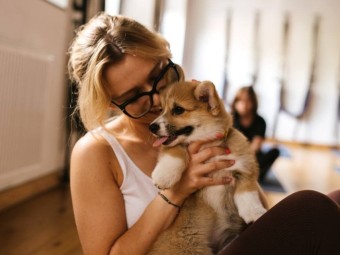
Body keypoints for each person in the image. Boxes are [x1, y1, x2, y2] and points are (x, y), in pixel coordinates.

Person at [69, 12, 340, 255]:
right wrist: (177, 192)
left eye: (158, 74)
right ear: (109, 103)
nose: (155, 99)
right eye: (134, 95)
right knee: (312, 208)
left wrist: (223, 130)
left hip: (229, 240)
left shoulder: (195, 121)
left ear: (166, 57)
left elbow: (257, 213)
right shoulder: (96, 152)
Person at [231, 86, 280, 182]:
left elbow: (255, 148)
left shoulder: (260, 121)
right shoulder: (231, 119)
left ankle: (253, 175)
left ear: (253, 102)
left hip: (252, 158)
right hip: (233, 157)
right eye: (240, 100)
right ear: (235, 102)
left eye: (248, 100)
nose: (244, 104)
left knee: (275, 151)